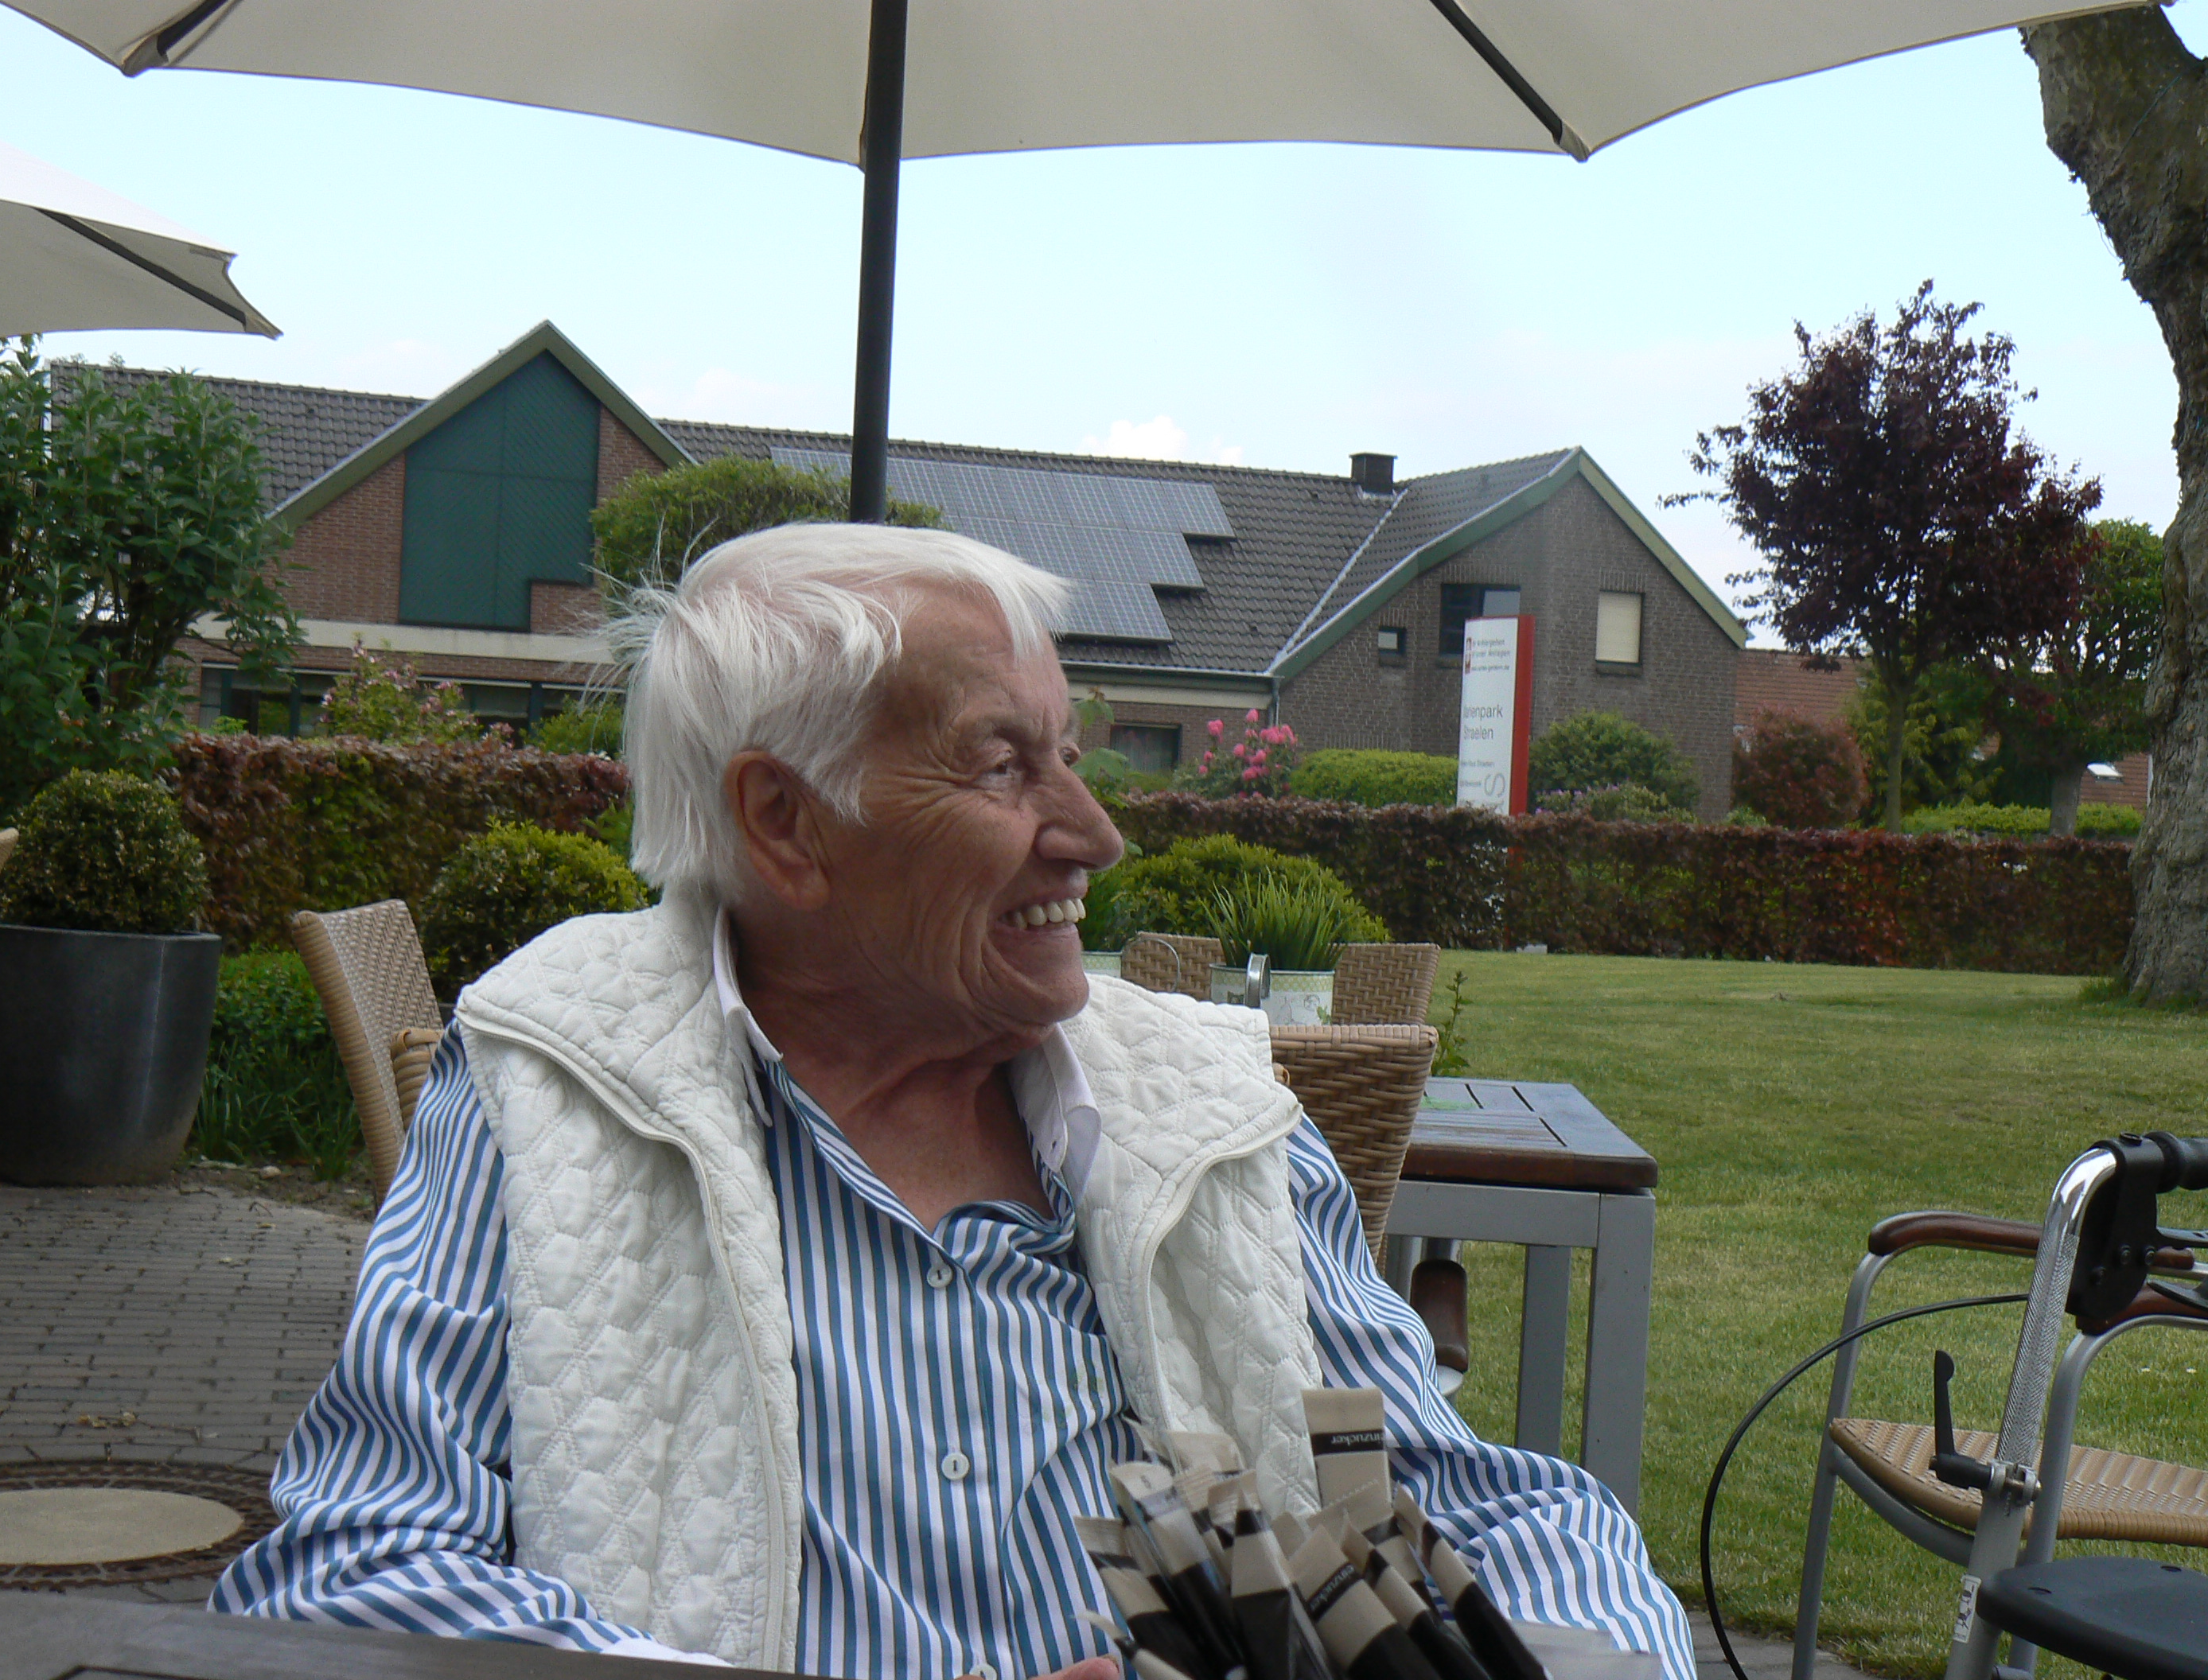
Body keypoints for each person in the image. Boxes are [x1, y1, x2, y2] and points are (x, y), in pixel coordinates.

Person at [214, 523, 1693, 1679]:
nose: (1094, 833)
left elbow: (1471, 1506)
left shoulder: (1209, 1117)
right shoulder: (557, 1087)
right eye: (1003, 767)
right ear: (785, 823)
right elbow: (348, 1576)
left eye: (1073, 756)